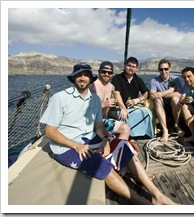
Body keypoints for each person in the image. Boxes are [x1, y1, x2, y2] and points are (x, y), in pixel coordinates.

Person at [40, 63, 175, 205]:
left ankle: (158, 196)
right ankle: (144, 204)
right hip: (67, 147)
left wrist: (105, 139)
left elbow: (98, 125)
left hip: (90, 138)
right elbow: (49, 132)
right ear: (73, 78)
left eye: (86, 75)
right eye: (79, 75)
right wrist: (76, 145)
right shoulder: (60, 97)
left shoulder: (94, 99)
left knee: (125, 146)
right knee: (101, 165)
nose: (82, 78)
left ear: (90, 79)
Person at [111, 57, 154, 139]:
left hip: (133, 106)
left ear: (136, 69)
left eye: (133, 67)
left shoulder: (138, 80)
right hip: (119, 107)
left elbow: (146, 93)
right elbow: (116, 93)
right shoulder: (117, 78)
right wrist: (123, 108)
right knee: (125, 114)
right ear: (124, 66)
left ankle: (144, 135)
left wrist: (137, 100)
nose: (131, 68)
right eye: (129, 65)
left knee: (147, 112)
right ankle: (130, 136)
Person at [89, 61, 130, 140]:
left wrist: (122, 108)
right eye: (104, 71)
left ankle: (118, 150)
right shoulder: (92, 85)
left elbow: (117, 96)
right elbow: (84, 106)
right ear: (98, 71)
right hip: (92, 122)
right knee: (108, 137)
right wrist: (102, 105)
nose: (106, 74)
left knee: (126, 128)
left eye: (109, 72)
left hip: (104, 121)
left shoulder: (111, 87)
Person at [150, 59, 183, 143]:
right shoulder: (154, 80)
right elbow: (153, 95)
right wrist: (170, 91)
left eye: (166, 69)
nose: (163, 71)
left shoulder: (176, 79)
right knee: (157, 100)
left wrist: (160, 94)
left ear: (170, 69)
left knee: (175, 99)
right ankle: (165, 130)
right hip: (161, 105)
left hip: (172, 105)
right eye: (161, 69)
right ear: (158, 70)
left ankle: (176, 125)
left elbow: (179, 94)